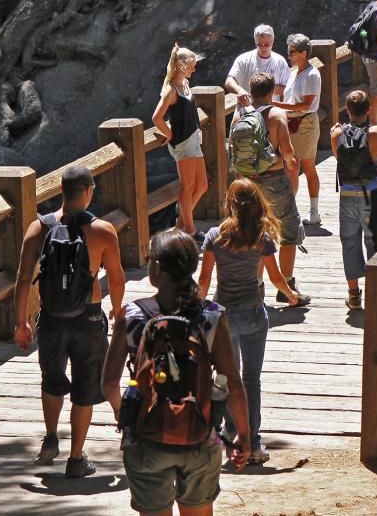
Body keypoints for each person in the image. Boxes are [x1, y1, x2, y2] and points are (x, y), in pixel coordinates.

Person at [101, 230, 251, 515]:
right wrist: (243, 434)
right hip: (201, 434)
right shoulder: (212, 315)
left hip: (146, 439)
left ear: (155, 267)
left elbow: (109, 384)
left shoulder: (131, 315)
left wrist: (127, 416)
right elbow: (232, 381)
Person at [14, 165, 125, 478]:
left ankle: (51, 438)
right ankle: (76, 458)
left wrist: (21, 322)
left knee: (52, 378)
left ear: (61, 191)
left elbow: (23, 279)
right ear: (89, 192)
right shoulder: (103, 231)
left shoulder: (39, 228)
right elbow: (116, 278)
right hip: (88, 318)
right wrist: (117, 313)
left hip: (50, 318)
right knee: (85, 387)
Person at [198, 180, 300, 466]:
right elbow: (275, 276)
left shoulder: (215, 236)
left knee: (229, 378)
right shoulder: (261, 236)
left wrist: (193, 306)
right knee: (251, 380)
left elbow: (204, 280)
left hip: (223, 317)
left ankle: (232, 433)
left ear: (230, 202)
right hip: (254, 315)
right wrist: (291, 295)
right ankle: (253, 444)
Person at [237, 71, 312, 305]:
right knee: (289, 230)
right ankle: (286, 285)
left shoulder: (240, 116)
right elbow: (288, 152)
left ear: (251, 92)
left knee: (255, 230)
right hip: (274, 179)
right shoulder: (278, 115)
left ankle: (256, 286)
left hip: (248, 182)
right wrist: (289, 161)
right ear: (271, 93)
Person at [330, 90, 377, 310]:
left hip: (347, 193)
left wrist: (340, 128)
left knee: (350, 242)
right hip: (371, 193)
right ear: (368, 109)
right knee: (375, 240)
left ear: (347, 110)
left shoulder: (336, 135)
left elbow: (339, 153)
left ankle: (353, 294)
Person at [153, 44, 207, 241]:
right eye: (191, 66)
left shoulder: (185, 84)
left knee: (201, 185)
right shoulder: (171, 90)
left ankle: (180, 225)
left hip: (193, 139)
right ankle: (190, 230)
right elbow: (157, 118)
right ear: (182, 66)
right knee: (188, 186)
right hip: (183, 142)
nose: (194, 69)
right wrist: (169, 134)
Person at [271, 34, 322, 224]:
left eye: (293, 52)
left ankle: (314, 211)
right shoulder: (293, 73)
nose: (289, 55)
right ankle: (291, 209)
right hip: (290, 123)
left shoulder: (312, 74)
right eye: (289, 51)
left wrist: (276, 105)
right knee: (291, 167)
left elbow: (306, 105)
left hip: (305, 123)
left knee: (308, 168)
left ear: (304, 53)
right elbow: (288, 96)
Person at [225, 24, 290, 112]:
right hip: (247, 113)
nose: (263, 48)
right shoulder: (244, 59)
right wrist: (239, 90)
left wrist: (267, 88)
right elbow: (229, 82)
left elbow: (287, 90)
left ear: (273, 40)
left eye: (267, 44)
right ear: (255, 41)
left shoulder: (280, 61)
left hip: (271, 113)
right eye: (259, 44)